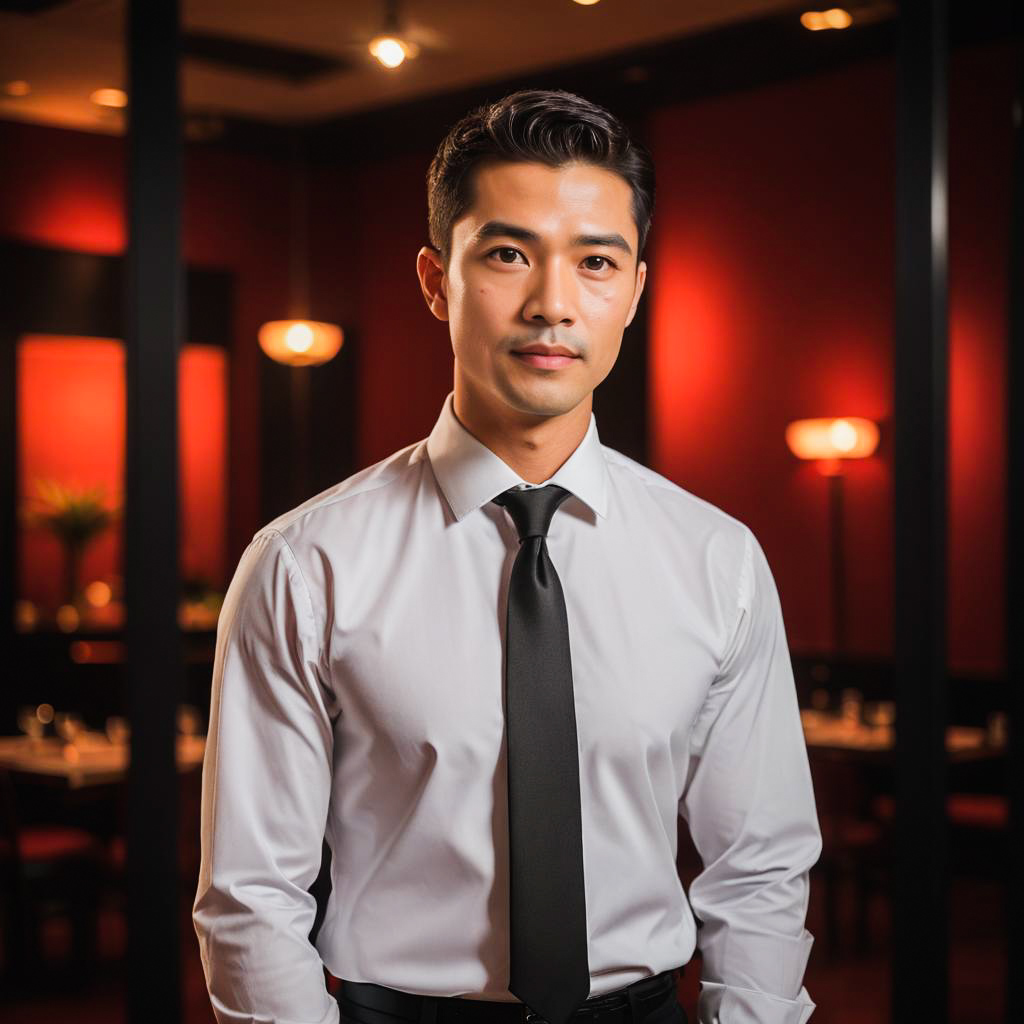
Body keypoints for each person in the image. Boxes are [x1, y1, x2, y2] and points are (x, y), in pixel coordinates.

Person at [193, 88, 822, 1024]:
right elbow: (251, 897)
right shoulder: (303, 564)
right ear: (435, 280)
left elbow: (759, 866)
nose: (552, 304)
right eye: (507, 254)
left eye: (595, 261)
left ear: (636, 290)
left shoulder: (716, 560)